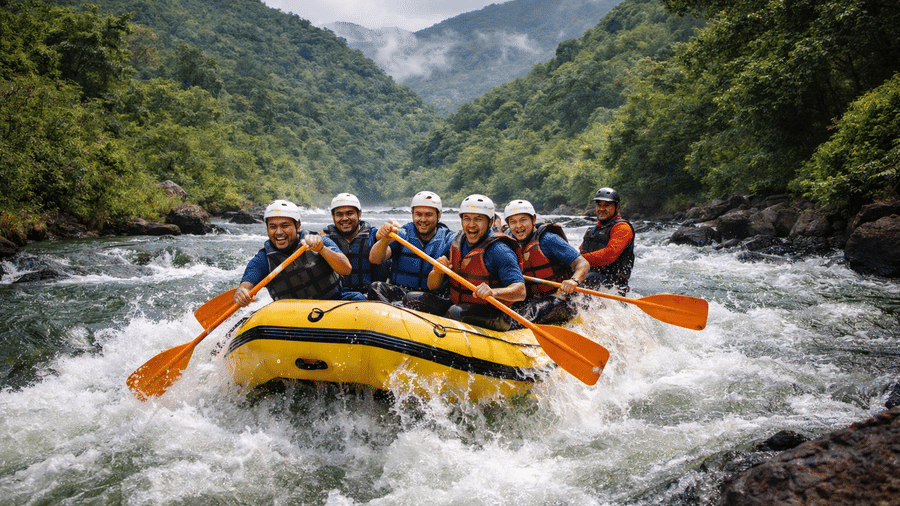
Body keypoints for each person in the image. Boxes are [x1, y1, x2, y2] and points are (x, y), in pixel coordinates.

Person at [428, 195, 525, 331]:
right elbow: (432, 286)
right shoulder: (455, 242)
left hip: (495, 315)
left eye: (478, 219)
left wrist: (494, 292)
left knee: (455, 312)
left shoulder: (500, 250)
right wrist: (437, 272)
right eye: (467, 218)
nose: (471, 224)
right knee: (413, 299)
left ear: (490, 222)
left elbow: (521, 291)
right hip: (458, 304)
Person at [233, 199, 354, 306]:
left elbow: (346, 270)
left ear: (298, 225)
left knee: (357, 298)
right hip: (293, 315)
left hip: (333, 305)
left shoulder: (320, 241)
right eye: (273, 227)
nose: (279, 232)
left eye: (285, 225)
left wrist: (322, 249)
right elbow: (245, 286)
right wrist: (241, 294)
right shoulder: (263, 259)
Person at [503, 199, 590, 324]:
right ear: (508, 225)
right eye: (513, 222)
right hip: (531, 298)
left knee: (533, 311)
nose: (518, 226)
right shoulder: (509, 243)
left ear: (533, 220)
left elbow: (583, 263)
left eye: (523, 220)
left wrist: (573, 280)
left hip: (562, 300)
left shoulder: (548, 239)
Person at [368, 191, 455, 305]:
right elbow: (375, 259)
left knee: (414, 298)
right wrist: (385, 240)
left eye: (428, 215)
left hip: (431, 297)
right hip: (401, 292)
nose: (423, 220)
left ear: (439, 215)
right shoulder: (403, 235)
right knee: (375, 287)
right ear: (412, 214)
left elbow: (435, 286)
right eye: (418, 214)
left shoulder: (448, 240)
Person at [321, 193, 391, 299]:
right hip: (339, 298)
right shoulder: (325, 240)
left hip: (372, 297)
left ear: (359, 214)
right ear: (333, 217)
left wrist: (387, 234)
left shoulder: (375, 235)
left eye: (349, 213)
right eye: (339, 214)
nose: (344, 218)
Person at [579, 187, 635, 294]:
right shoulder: (591, 231)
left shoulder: (622, 228)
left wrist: (577, 260)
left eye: (607, 205)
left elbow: (608, 255)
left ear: (617, 207)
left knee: (591, 278)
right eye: (599, 205)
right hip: (589, 277)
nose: (602, 209)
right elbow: (581, 252)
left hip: (612, 284)